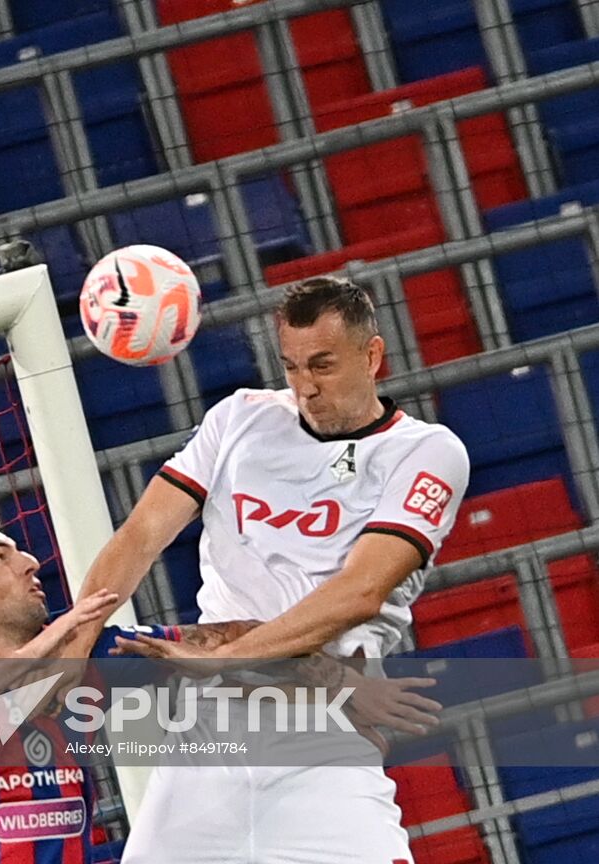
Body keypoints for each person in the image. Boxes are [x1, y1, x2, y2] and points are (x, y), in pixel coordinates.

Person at [68, 276, 471, 863]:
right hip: (209, 734)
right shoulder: (238, 419)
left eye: (324, 366)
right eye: (292, 367)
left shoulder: (426, 452)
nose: (306, 387)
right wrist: (77, 638)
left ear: (373, 355)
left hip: (320, 730)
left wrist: (222, 657)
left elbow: (358, 592)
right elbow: (141, 535)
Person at [0, 512, 436, 863]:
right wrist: (31, 655)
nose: (29, 562)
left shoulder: (86, 657)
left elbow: (229, 637)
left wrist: (335, 684)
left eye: (18, 550)